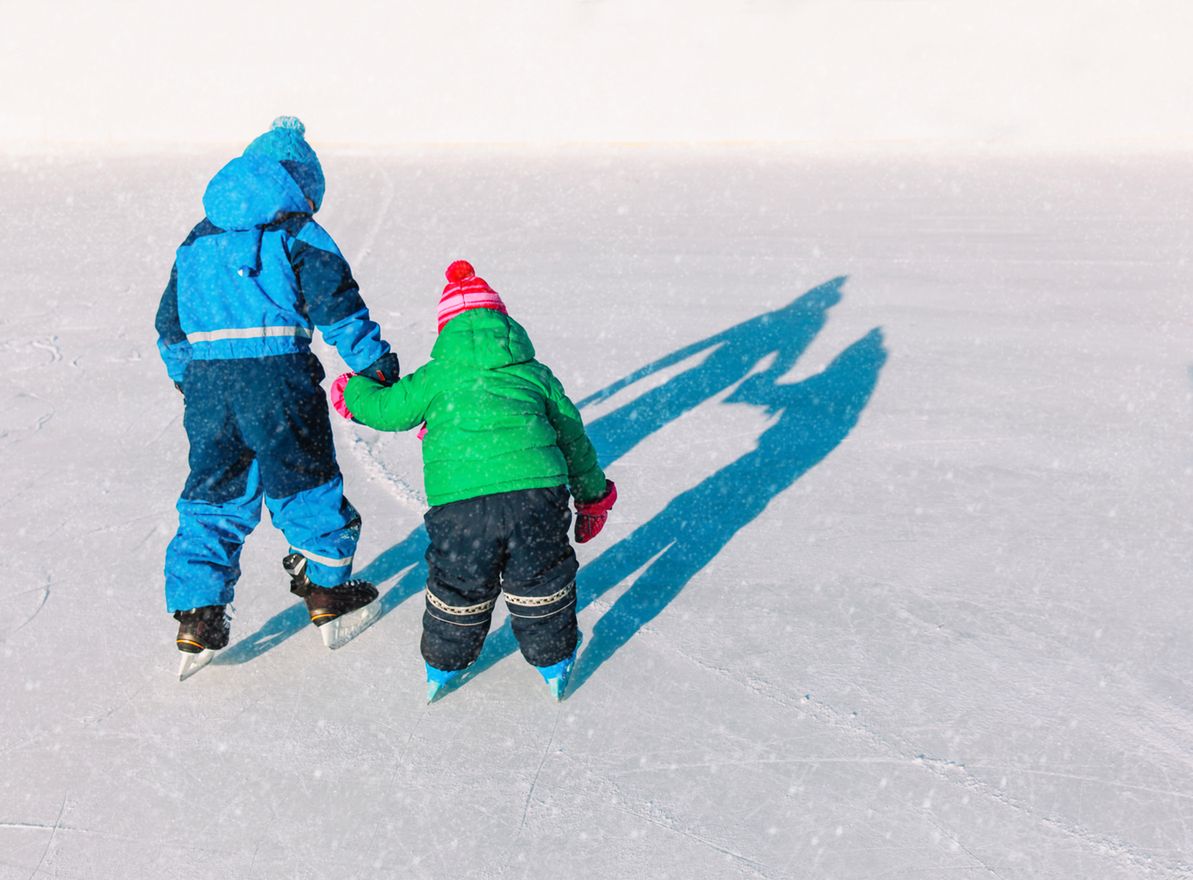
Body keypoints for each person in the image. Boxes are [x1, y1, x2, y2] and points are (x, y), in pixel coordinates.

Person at [155, 116, 400, 674]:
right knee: (304, 479)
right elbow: (338, 307)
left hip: (210, 391)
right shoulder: (297, 233)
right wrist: (374, 364)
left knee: (213, 495)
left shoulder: (196, 240)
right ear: (300, 183)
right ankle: (325, 590)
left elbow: (170, 324)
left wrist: (186, 376)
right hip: (280, 381)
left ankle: (198, 611)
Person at [331, 260, 617, 700]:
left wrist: (353, 392)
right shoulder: (533, 373)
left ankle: (442, 666)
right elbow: (573, 439)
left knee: (459, 582)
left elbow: (388, 411)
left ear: (446, 329)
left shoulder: (437, 376)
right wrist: (592, 498)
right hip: (536, 495)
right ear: (504, 323)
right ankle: (553, 660)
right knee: (540, 576)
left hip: (460, 505)